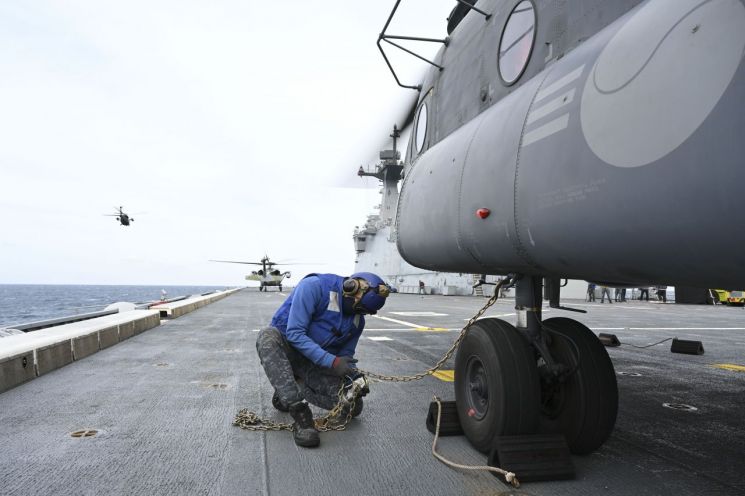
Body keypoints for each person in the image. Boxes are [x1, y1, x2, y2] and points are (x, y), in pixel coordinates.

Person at [255, 272, 389, 448]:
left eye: (364, 311)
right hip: (287, 350)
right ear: (351, 288)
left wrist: (353, 378)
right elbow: (295, 334)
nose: (359, 313)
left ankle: (292, 388)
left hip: (313, 363)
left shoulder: (357, 321)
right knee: (267, 337)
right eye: (359, 308)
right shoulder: (314, 287)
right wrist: (333, 363)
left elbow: (345, 357)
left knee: (353, 406)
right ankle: (300, 416)